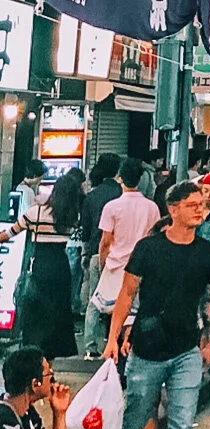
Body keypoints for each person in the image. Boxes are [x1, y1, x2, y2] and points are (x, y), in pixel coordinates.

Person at [101, 181, 210, 429]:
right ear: (173, 209)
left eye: (202, 204)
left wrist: (209, 340)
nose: (199, 209)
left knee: (182, 423)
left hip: (186, 348)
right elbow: (126, 294)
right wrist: (113, 338)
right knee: (136, 418)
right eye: (191, 204)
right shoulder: (148, 249)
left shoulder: (207, 252)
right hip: (148, 348)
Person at [0, 174, 83, 358]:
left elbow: (10, 232)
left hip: (41, 266)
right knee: (58, 313)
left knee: (36, 314)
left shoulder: (36, 212)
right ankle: (50, 361)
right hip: (61, 267)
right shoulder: (71, 215)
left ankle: (34, 355)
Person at [91, 158, 160, 348]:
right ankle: (128, 348)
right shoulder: (152, 207)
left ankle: (107, 347)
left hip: (115, 265)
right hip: (142, 268)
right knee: (135, 313)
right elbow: (153, 237)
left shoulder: (112, 207)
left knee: (106, 310)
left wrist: (103, 264)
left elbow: (105, 242)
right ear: (140, 179)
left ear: (120, 178)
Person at [79, 153, 121, 358]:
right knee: (121, 299)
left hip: (96, 251)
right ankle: (112, 339)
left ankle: (90, 346)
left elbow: (85, 230)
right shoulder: (122, 193)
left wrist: (85, 253)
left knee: (94, 301)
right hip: (121, 255)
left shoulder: (92, 196)